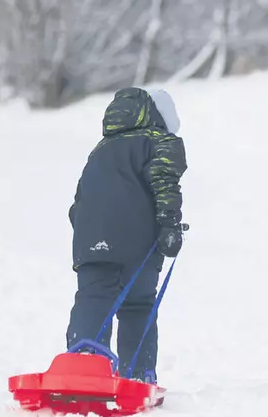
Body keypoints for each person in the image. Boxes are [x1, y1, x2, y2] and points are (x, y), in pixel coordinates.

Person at [67, 87, 187, 382]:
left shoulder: (98, 151)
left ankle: (84, 363)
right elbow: (165, 182)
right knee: (138, 304)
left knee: (93, 297)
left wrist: (91, 232)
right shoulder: (159, 141)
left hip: (89, 242)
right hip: (138, 241)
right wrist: (170, 224)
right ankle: (137, 373)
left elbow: (78, 202)